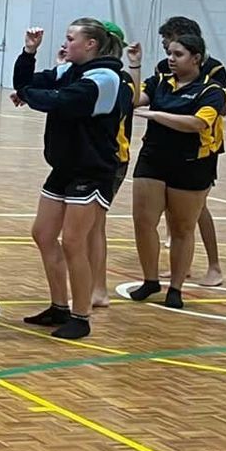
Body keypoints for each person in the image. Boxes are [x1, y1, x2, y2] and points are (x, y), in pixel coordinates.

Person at [12, 17, 133, 340]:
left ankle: (81, 316)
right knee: (42, 233)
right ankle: (58, 306)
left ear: (90, 44)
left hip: (92, 171)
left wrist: (30, 94)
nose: (64, 44)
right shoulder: (70, 71)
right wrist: (28, 52)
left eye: (70, 38)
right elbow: (29, 82)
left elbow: (62, 102)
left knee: (74, 241)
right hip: (64, 167)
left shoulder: (107, 78)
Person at [130, 30, 226, 308]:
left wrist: (156, 115)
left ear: (196, 58)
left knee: (182, 227)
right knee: (143, 221)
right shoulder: (160, 81)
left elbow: (197, 123)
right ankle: (150, 281)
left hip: (192, 164)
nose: (171, 59)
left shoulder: (212, 91)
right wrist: (135, 65)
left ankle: (176, 288)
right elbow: (134, 99)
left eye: (178, 54)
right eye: (169, 54)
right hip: (153, 158)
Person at [86, 20, 137, 313]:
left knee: (94, 225)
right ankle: (94, 286)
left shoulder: (115, 79)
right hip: (92, 156)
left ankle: (98, 289)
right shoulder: (98, 74)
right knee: (91, 226)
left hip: (111, 158)